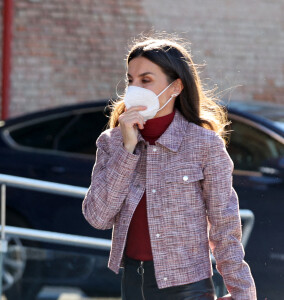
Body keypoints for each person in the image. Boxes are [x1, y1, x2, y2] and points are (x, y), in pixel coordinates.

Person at [82, 33, 257, 300]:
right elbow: (98, 217)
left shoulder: (204, 144)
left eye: (146, 80)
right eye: (131, 80)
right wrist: (127, 150)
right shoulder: (112, 142)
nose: (135, 88)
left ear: (176, 87)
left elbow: (224, 226)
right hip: (132, 285)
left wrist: (243, 293)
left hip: (188, 288)